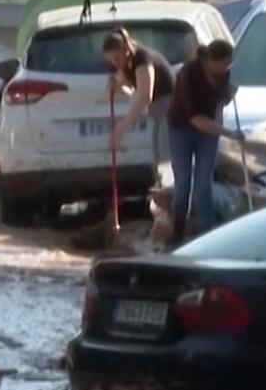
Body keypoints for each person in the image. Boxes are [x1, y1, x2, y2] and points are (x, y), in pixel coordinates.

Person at [167, 39, 242, 244]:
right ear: (211, 61)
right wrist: (229, 133)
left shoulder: (222, 73)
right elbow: (196, 118)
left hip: (208, 131)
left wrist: (228, 94)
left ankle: (207, 234)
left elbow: (220, 99)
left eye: (229, 65)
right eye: (224, 64)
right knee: (183, 181)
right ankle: (178, 230)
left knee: (204, 181)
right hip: (182, 128)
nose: (226, 68)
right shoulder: (188, 74)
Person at [102, 28, 176, 179]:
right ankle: (167, 194)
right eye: (110, 61)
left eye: (116, 59)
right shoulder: (127, 64)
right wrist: (118, 86)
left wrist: (120, 130)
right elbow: (128, 87)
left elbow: (145, 97)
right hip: (157, 111)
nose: (115, 64)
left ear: (125, 49)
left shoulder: (142, 59)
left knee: (166, 158)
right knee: (158, 158)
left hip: (172, 110)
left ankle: (174, 195)